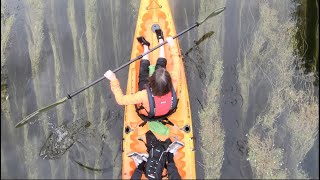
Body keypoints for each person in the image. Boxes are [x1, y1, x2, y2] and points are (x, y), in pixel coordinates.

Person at [104, 28, 179, 126]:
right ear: (169, 80)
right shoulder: (174, 82)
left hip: (150, 113)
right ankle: (161, 40)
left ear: (151, 81)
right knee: (161, 65)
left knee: (143, 74)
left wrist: (113, 79)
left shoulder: (143, 95)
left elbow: (121, 100)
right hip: (164, 112)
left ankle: (146, 48)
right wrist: (172, 46)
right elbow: (177, 62)